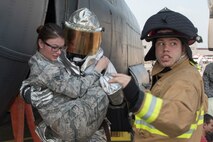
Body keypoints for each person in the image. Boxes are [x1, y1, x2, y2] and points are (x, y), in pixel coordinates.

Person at [20, 8, 123, 142]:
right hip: (60, 132)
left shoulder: (102, 62)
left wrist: (111, 88)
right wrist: (27, 93)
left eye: (88, 39)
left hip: (92, 132)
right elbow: (34, 80)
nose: (82, 45)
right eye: (77, 38)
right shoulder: (55, 57)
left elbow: (118, 100)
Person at [109, 7, 207, 142]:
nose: (165, 49)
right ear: (155, 47)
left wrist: (137, 98)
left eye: (173, 43)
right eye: (161, 43)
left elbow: (178, 119)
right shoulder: (168, 73)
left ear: (183, 48)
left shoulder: (185, 79)